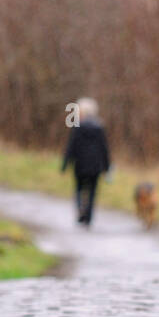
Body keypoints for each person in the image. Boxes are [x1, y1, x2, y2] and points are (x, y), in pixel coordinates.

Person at [61, 97, 112, 226]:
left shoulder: (77, 127)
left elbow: (71, 147)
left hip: (80, 164)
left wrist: (65, 164)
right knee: (92, 191)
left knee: (79, 189)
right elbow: (104, 148)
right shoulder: (99, 127)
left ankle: (80, 211)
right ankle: (88, 217)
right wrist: (107, 167)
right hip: (95, 165)